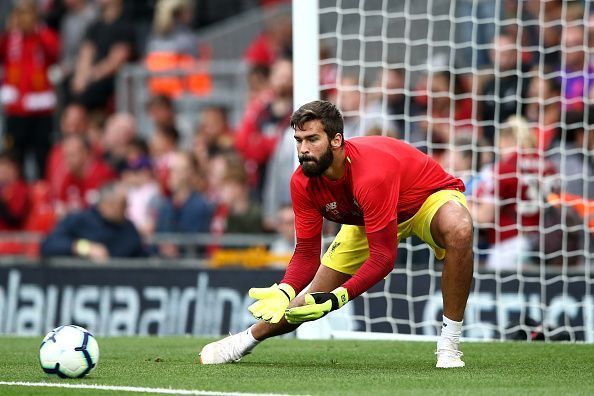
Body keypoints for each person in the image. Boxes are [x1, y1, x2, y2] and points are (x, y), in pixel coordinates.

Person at [200, 100, 473, 368]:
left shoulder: (370, 175)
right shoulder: (302, 182)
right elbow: (307, 254)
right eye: (299, 140)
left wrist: (339, 297)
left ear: (336, 140)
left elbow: (384, 258)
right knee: (311, 298)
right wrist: (285, 289)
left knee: (460, 229)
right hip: (369, 219)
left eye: (312, 140)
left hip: (424, 200)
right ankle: (244, 341)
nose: (303, 150)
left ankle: (449, 344)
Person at [41, 182, 146, 260]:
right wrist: (86, 248)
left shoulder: (128, 228)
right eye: (122, 205)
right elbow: (49, 245)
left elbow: (141, 256)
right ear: (106, 204)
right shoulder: (80, 220)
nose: (126, 208)